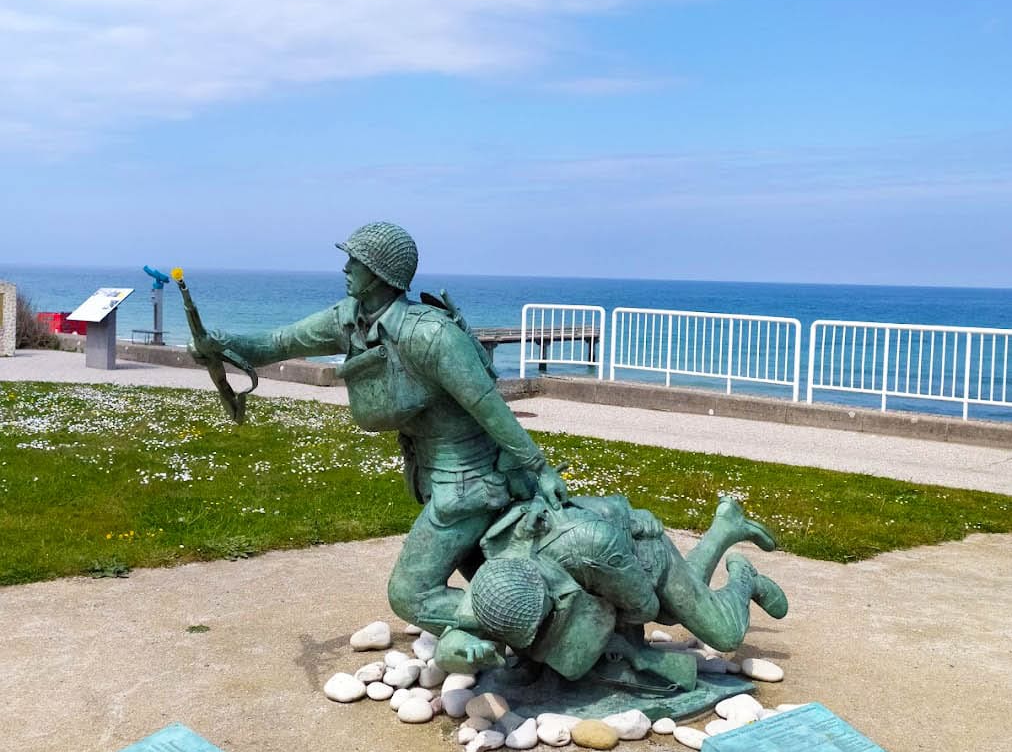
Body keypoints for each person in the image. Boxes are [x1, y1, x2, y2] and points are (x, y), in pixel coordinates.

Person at [190, 222, 567, 632]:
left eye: (356, 260)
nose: (346, 267)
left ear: (381, 273)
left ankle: (538, 636)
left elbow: (489, 407)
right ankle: (517, 641)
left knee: (411, 594)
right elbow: (280, 343)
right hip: (432, 479)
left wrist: (540, 469)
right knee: (484, 577)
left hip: (468, 484)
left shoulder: (430, 335)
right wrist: (221, 342)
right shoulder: (349, 319)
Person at [434, 493, 787, 691]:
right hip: (597, 572)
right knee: (675, 607)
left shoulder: (591, 547)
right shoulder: (500, 575)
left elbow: (643, 608)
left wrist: (608, 643)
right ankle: (725, 527)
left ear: (553, 593)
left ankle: (745, 577)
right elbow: (451, 643)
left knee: (719, 630)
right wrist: (466, 650)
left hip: (640, 556)